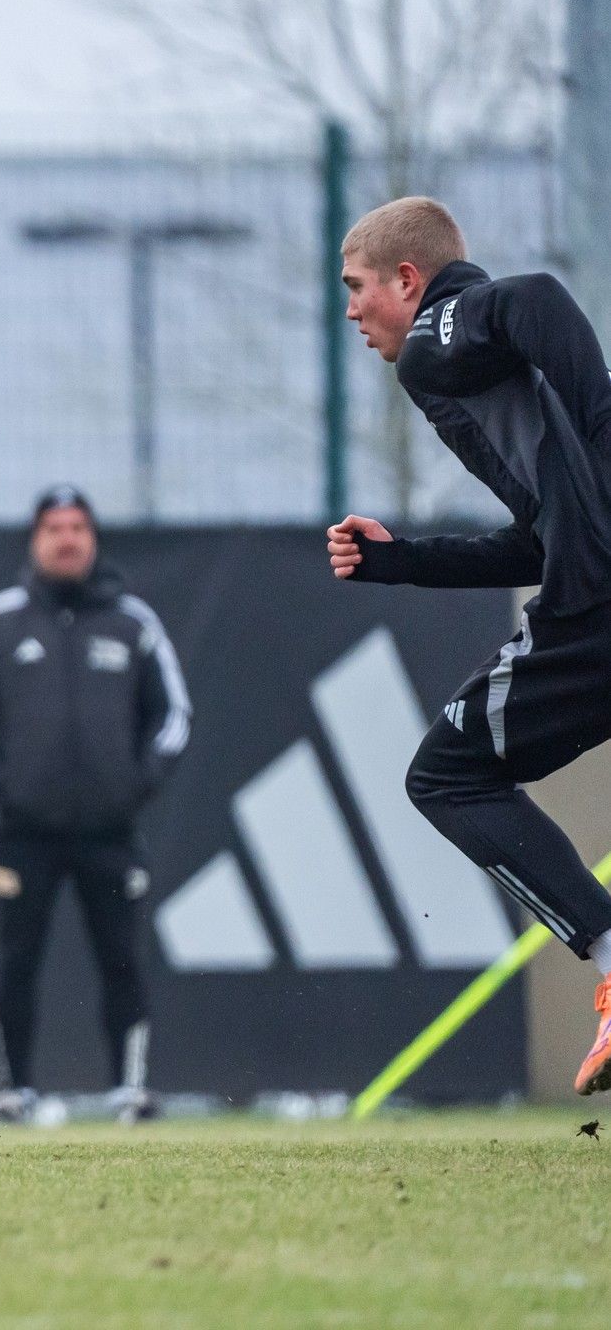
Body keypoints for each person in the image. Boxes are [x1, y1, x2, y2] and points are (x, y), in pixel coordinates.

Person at [331, 195, 611, 1097]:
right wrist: (400, 562)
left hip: (594, 613)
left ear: (406, 281)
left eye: (356, 286)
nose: (350, 311)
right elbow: (539, 538)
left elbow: (536, 297)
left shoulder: (439, 332)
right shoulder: (483, 378)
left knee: (446, 775)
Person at [0, 486, 190, 1125]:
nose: (67, 538)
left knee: (122, 958)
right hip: (24, 832)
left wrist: (138, 783)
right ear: (35, 540)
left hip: (111, 830)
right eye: (54, 527)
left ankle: (129, 1091)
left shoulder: (133, 623)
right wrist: (0, 784)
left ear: (94, 539)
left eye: (78, 526)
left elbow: (174, 715)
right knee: (16, 957)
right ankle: (15, 1091)